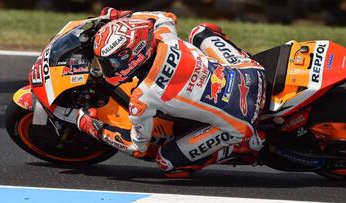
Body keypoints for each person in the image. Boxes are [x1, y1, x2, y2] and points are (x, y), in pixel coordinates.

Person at [76, 7, 267, 177]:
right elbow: (162, 15)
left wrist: (97, 129)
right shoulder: (165, 36)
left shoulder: (142, 98)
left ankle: (241, 146)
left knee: (166, 162)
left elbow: (138, 147)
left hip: (241, 118)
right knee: (200, 31)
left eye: (113, 62)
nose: (109, 67)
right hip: (251, 72)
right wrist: (120, 15)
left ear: (132, 56)